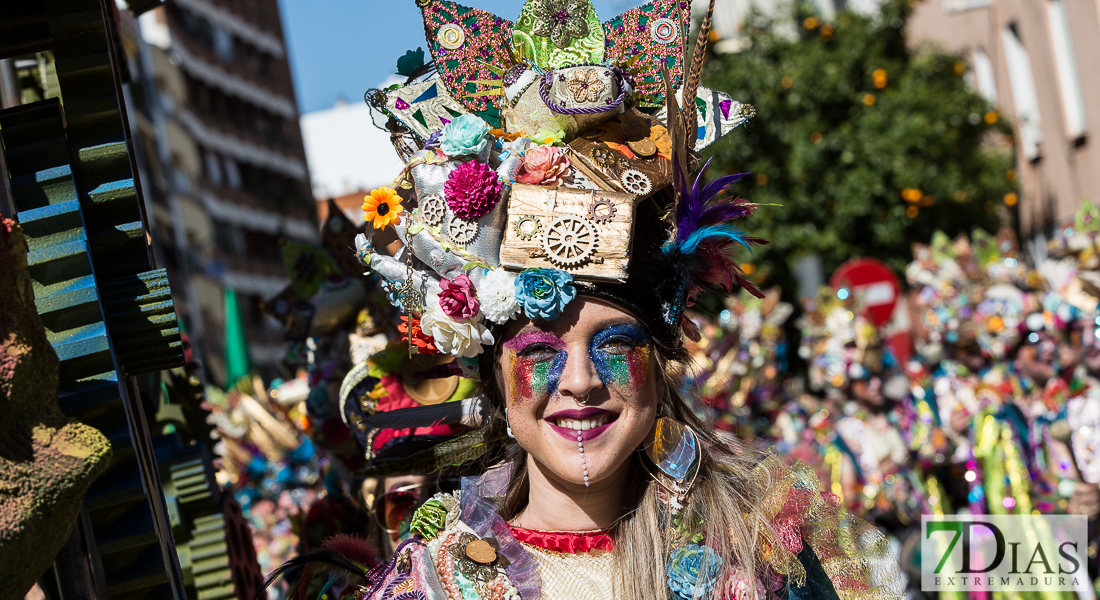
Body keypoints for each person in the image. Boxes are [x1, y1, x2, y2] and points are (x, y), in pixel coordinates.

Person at [264, 1, 905, 599]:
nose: (579, 382)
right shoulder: (438, 585)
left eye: (614, 344)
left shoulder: (761, 554)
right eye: (540, 350)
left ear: (660, 361)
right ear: (493, 378)